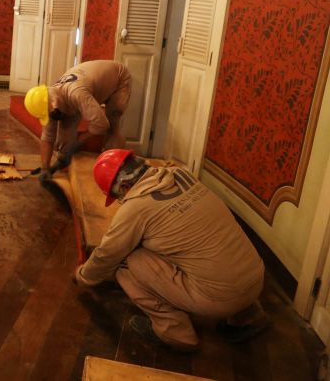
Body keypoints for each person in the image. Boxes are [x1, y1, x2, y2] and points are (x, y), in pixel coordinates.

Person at [74, 149, 269, 351]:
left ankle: (175, 333)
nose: (121, 200)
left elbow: (107, 255)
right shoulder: (181, 174)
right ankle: (249, 316)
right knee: (201, 245)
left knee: (126, 262)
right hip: (256, 280)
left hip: (221, 299)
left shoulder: (136, 208)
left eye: (118, 196)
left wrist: (83, 275)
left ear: (124, 186)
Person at [24, 60, 131, 181]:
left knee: (112, 125)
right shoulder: (50, 99)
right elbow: (48, 136)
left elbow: (102, 123)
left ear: (54, 106)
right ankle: (63, 161)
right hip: (86, 85)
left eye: (51, 114)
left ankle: (114, 169)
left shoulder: (76, 94)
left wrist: (80, 141)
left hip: (118, 78)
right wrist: (45, 168)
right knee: (64, 134)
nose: (51, 118)